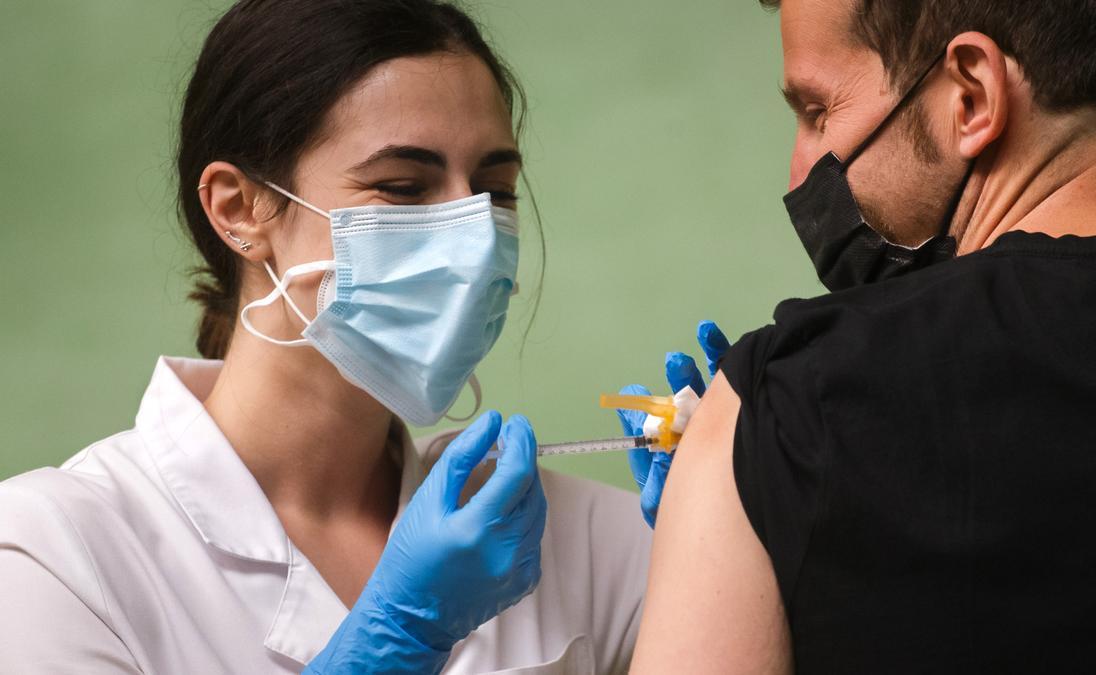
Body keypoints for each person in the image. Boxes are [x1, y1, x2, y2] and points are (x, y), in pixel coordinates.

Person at [0, 1, 653, 673]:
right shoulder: (54, 554)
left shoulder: (585, 544)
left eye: (494, 192)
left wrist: (731, 516)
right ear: (239, 209)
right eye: (403, 186)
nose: (475, 243)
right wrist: (395, 641)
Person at [633, 0, 1096, 672]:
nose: (798, 173)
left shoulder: (781, 411)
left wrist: (742, 476)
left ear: (971, 96)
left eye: (817, 113)